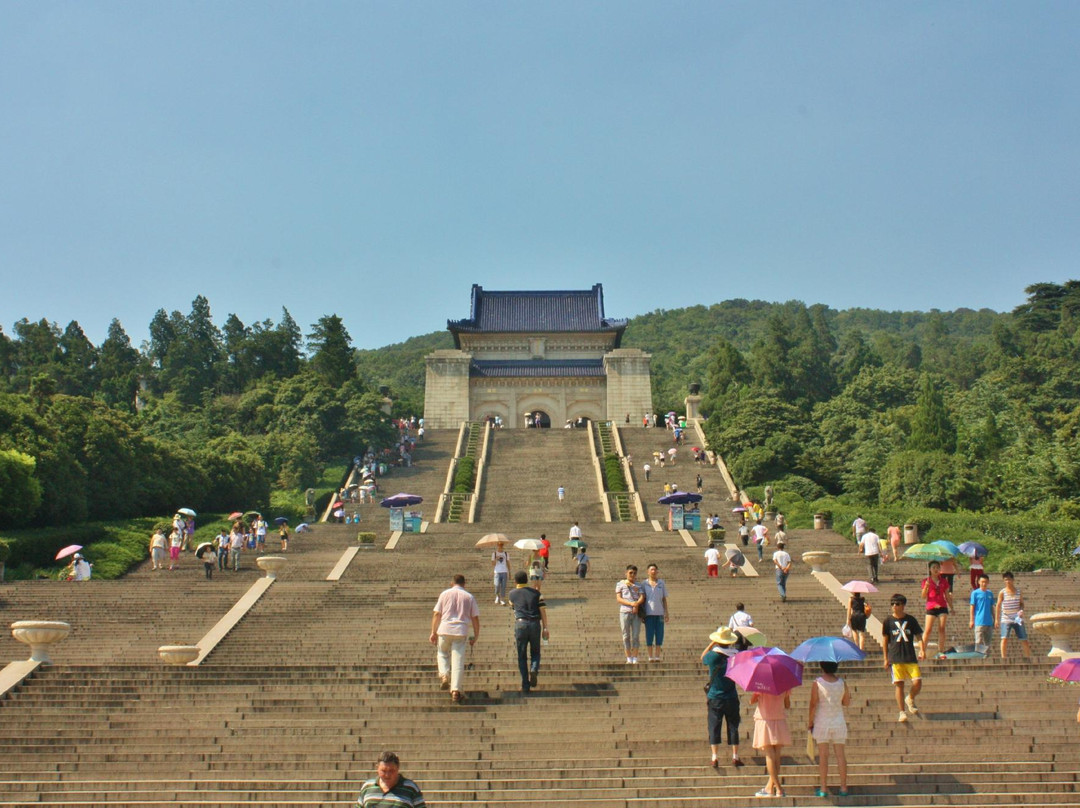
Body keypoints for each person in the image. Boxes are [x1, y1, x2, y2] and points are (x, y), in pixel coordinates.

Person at [430, 574, 480, 703]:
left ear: (452, 583)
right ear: (464, 584)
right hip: (460, 631)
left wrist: (433, 632)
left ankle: (444, 675)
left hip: (444, 629)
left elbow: (437, 614)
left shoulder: (444, 594)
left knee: (442, 653)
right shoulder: (469, 597)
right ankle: (456, 691)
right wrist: (476, 635)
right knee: (458, 661)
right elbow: (475, 618)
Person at [702, 627, 744, 768]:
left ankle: (714, 757)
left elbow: (702, 658)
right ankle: (735, 756)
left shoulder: (712, 656)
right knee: (733, 725)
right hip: (731, 695)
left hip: (715, 696)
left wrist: (711, 644)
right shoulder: (735, 656)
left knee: (714, 726)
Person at [808, 661, 851, 797]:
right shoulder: (842, 683)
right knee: (840, 756)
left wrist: (810, 721)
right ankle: (843, 787)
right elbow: (846, 702)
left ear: (822, 666)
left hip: (822, 721)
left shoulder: (817, 682)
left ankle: (823, 788)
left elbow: (813, 704)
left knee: (823, 756)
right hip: (838, 720)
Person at [882, 593, 923, 723]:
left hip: (910, 656)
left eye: (897, 604)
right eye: (892, 603)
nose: (894, 606)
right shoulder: (888, 621)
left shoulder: (911, 620)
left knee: (917, 682)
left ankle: (910, 698)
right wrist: (885, 658)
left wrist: (922, 649)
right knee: (899, 685)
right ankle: (902, 711)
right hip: (896, 657)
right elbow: (885, 640)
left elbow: (918, 636)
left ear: (903, 605)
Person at [507, 570, 549, 694]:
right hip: (535, 624)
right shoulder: (537, 593)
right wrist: (545, 627)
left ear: (515, 581)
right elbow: (543, 611)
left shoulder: (512, 594)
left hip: (520, 624)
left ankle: (525, 684)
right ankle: (534, 669)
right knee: (535, 652)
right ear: (527, 580)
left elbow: (513, 607)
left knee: (522, 655)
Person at [750, 688, 791, 798]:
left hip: (765, 720)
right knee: (776, 754)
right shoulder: (784, 685)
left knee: (769, 754)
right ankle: (770, 787)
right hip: (779, 719)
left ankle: (778, 788)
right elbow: (787, 705)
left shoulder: (761, 685)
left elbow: (752, 700)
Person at [355, 751, 425, 808]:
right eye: (383, 771)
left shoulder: (410, 788)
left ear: (398, 768)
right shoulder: (367, 787)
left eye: (391, 771)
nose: (387, 775)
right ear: (377, 768)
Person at [995, 571, 1033, 659]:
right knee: (1004, 638)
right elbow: (998, 605)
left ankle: (1028, 657)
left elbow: (1022, 603)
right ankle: (1003, 657)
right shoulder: (1002, 592)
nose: (1007, 581)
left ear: (1013, 580)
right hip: (1006, 617)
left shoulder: (1018, 592)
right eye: (1005, 580)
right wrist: (996, 619)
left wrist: (1021, 610)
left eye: (1009, 579)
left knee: (1024, 638)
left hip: (1017, 618)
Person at [920, 561, 952, 659]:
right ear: (930, 569)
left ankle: (941, 651)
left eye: (937, 567)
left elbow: (946, 595)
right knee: (928, 630)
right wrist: (926, 587)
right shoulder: (926, 581)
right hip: (931, 607)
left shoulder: (943, 581)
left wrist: (952, 606)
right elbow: (923, 596)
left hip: (942, 606)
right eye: (933, 567)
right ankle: (922, 651)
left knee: (942, 628)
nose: (936, 569)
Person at [615, 565, 645, 664]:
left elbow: (642, 597)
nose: (632, 575)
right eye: (630, 572)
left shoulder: (639, 585)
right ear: (626, 573)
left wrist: (637, 604)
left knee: (636, 635)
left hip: (636, 613)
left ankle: (635, 657)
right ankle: (628, 657)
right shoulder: (620, 584)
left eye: (634, 573)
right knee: (626, 635)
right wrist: (631, 604)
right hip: (624, 612)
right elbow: (619, 598)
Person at [641, 564, 669, 663]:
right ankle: (650, 656)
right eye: (651, 569)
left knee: (659, 634)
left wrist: (666, 612)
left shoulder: (661, 583)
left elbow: (664, 599)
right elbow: (642, 599)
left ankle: (657, 656)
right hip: (648, 613)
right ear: (648, 572)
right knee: (649, 635)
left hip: (660, 613)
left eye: (655, 569)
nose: (653, 571)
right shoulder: (644, 584)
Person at [969, 574, 995, 653]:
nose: (984, 583)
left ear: (988, 582)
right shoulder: (975, 593)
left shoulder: (990, 593)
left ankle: (986, 657)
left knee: (987, 643)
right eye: (982, 582)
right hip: (979, 621)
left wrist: (995, 619)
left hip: (989, 622)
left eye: (986, 582)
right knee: (978, 641)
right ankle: (978, 656)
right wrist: (971, 620)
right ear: (979, 582)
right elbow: (972, 607)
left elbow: (992, 607)